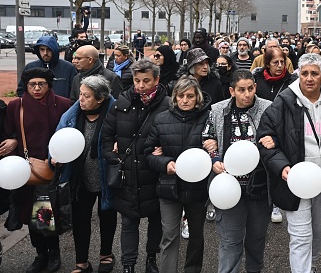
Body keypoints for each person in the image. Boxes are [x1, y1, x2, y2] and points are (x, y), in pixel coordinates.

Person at [257, 54, 321, 273]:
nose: (309, 78)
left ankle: (311, 265)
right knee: (300, 237)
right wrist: (282, 166)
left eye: (314, 73)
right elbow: (265, 138)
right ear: (298, 74)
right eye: (304, 73)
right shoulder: (284, 102)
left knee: (318, 232)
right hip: (295, 182)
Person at [102, 59, 171, 273]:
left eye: (146, 81)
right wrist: (113, 157)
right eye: (137, 80)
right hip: (128, 173)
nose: (140, 85)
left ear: (157, 80)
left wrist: (165, 153)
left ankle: (151, 258)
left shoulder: (167, 104)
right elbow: (106, 135)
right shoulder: (122, 102)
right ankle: (128, 264)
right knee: (129, 222)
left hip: (154, 172)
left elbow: (176, 135)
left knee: (155, 220)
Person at [203, 70, 273, 273]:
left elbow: (279, 136)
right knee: (230, 240)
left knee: (256, 239)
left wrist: (273, 140)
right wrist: (214, 158)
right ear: (232, 91)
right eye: (241, 90)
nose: (247, 94)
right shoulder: (217, 110)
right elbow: (207, 138)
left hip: (259, 185)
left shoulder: (268, 109)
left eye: (251, 88)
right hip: (228, 187)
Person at [1, 68, 70, 273]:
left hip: (51, 169)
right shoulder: (16, 105)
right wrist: (13, 138)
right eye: (32, 84)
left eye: (42, 84)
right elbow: (9, 129)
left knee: (46, 215)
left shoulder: (63, 104)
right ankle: (40, 254)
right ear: (26, 85)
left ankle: (53, 253)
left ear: (49, 85)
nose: (37, 88)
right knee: (29, 215)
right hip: (25, 170)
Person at [144, 75, 211, 272]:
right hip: (169, 186)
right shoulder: (162, 119)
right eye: (181, 96)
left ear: (197, 97)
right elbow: (149, 152)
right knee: (169, 235)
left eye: (190, 96)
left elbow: (213, 146)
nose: (185, 100)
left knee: (197, 236)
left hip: (197, 188)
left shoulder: (208, 118)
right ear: (175, 98)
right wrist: (165, 163)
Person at [53, 75, 117, 273]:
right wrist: (54, 156)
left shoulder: (115, 113)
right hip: (80, 177)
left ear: (101, 98)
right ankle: (81, 262)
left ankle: (105, 254)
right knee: (80, 218)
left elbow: (128, 135)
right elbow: (58, 137)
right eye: (80, 94)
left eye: (87, 96)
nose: (81, 99)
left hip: (106, 176)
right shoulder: (71, 114)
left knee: (107, 215)